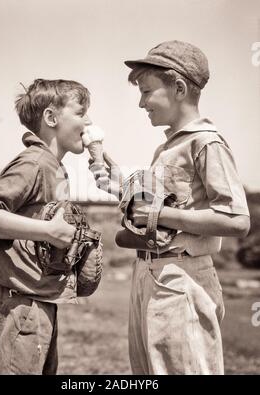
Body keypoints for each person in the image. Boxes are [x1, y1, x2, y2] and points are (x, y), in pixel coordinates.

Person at [90, 40, 250, 375]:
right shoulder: (167, 147)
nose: (141, 103)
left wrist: (159, 214)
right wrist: (119, 183)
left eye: (147, 92)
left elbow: (236, 220)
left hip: (181, 279)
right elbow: (160, 208)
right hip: (149, 274)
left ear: (178, 88)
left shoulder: (206, 142)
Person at [0, 78, 92, 374]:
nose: (88, 121)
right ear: (51, 118)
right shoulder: (34, 163)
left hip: (35, 302)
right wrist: (48, 232)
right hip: (18, 306)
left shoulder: (53, 166)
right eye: (80, 112)